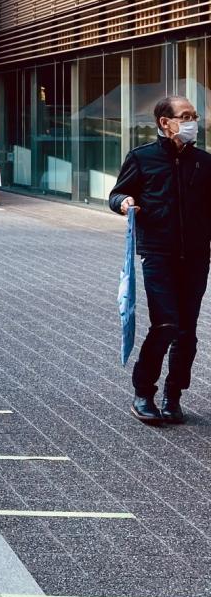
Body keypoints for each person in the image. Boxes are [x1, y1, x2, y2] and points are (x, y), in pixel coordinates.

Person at [110, 94, 211, 425]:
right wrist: (124, 202)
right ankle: (143, 393)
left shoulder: (204, 161)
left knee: (187, 332)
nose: (192, 121)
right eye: (185, 115)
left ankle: (173, 395)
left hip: (196, 257)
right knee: (166, 324)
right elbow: (116, 194)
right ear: (164, 122)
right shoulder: (142, 158)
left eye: (194, 115)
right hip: (157, 254)